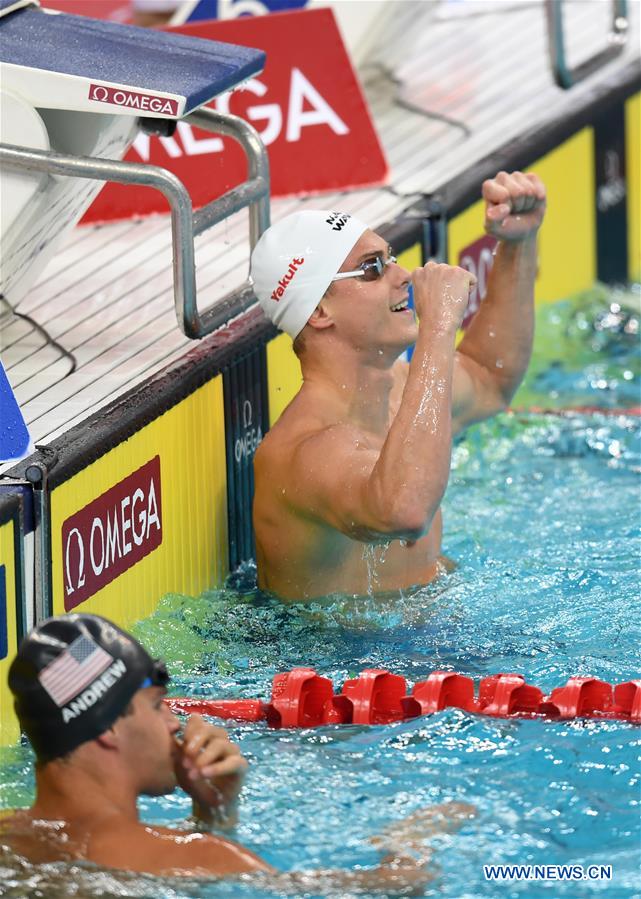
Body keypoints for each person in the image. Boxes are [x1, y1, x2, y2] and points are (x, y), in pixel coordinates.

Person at [1, 612, 473, 889]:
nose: (175, 723)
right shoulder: (206, 858)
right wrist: (407, 847)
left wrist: (211, 812)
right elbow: (390, 889)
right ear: (108, 728)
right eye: (158, 706)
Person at [250, 172, 546, 600]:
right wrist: (440, 325)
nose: (403, 275)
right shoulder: (305, 453)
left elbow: (490, 377)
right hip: (344, 663)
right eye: (372, 269)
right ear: (319, 312)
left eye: (390, 259)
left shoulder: (404, 389)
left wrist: (518, 245)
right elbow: (404, 509)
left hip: (428, 646)